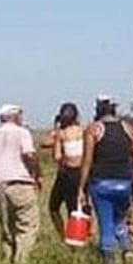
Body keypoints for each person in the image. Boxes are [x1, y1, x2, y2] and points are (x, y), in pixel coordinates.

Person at [77, 96, 133, 264]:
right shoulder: (128, 128)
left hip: (101, 184)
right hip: (124, 183)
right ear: (114, 109)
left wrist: (81, 187)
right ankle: (128, 250)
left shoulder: (93, 129)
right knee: (120, 220)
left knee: (105, 224)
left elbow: (87, 161)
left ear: (98, 109)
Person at [0, 103, 42, 264]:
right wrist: (37, 174)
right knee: (27, 225)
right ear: (14, 116)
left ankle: (8, 261)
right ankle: (21, 263)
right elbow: (29, 154)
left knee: (7, 228)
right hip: (20, 183)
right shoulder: (22, 133)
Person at [43, 102, 85, 239]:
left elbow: (56, 155)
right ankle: (81, 235)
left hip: (67, 174)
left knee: (55, 207)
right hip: (83, 172)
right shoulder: (84, 130)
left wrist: (56, 133)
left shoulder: (61, 134)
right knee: (78, 208)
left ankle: (67, 237)